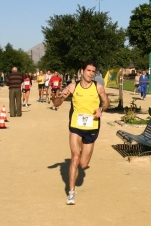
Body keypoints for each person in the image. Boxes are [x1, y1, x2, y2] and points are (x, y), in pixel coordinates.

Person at [52, 60, 110, 205]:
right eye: (88, 70)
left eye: (93, 71)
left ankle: (79, 168)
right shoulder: (73, 87)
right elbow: (57, 103)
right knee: (75, 157)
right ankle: (71, 192)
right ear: (82, 71)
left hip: (92, 127)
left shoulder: (99, 87)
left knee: (83, 164)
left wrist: (101, 110)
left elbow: (106, 103)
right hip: (76, 125)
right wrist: (58, 97)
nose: (90, 74)